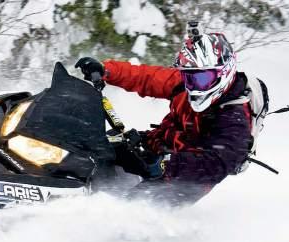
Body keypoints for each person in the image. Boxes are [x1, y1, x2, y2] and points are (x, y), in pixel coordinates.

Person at [75, 25, 254, 205]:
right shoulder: (184, 85)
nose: (193, 86)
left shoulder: (234, 116)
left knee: (131, 208)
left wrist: (168, 165)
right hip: (159, 149)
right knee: (98, 150)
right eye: (188, 77)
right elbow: (146, 77)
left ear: (224, 73)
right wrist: (107, 70)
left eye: (201, 79)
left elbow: (217, 163)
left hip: (185, 180)